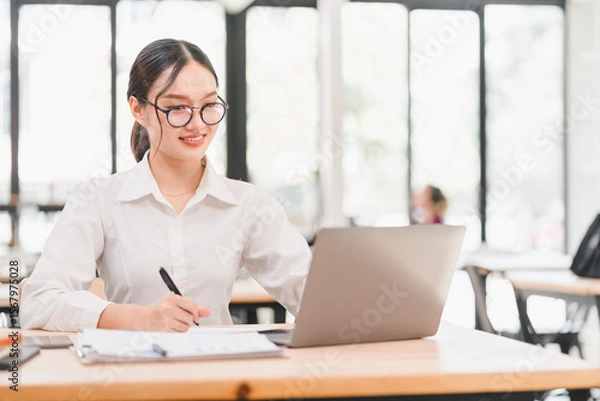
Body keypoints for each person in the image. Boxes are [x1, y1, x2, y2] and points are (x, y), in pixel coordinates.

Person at [20, 39, 312, 332]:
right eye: (177, 108)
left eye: (209, 105)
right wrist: (137, 319)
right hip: (131, 370)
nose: (197, 124)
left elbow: (313, 295)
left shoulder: (248, 204)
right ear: (138, 109)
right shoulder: (98, 200)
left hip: (221, 370)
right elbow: (39, 301)